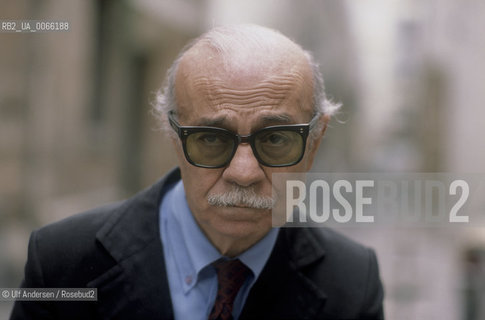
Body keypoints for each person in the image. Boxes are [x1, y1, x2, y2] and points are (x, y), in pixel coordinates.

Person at [11, 24, 384, 319]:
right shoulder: (62, 263)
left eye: (275, 140)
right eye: (211, 139)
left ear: (316, 140)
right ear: (172, 136)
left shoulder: (352, 282)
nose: (243, 173)